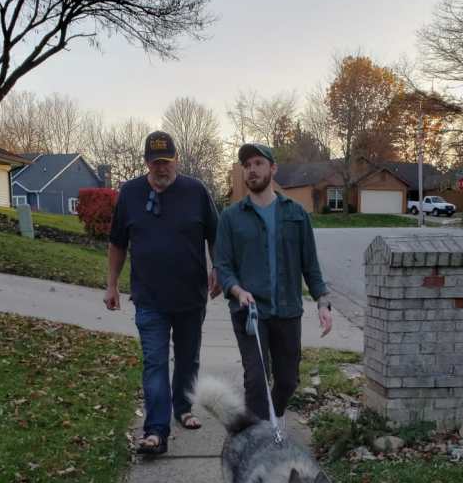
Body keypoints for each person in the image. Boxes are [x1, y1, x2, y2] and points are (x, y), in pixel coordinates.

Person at [105, 130, 220, 456]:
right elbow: (117, 243)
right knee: (154, 363)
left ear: (176, 160)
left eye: (167, 161)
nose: (161, 168)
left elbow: (216, 234)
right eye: (155, 162)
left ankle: (183, 407)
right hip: (149, 298)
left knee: (187, 358)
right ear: (146, 162)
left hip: (190, 296)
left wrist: (219, 267)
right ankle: (155, 431)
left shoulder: (196, 191)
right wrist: (112, 284)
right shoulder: (130, 194)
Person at [214, 142, 332, 424]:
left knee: (289, 381)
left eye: (258, 163)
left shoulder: (296, 214)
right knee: (256, 380)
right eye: (247, 165)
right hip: (250, 311)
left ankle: (270, 421)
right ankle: (258, 436)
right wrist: (237, 290)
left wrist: (323, 302)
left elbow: (310, 265)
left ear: (273, 168)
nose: (252, 170)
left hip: (288, 311)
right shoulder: (230, 217)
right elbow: (223, 265)